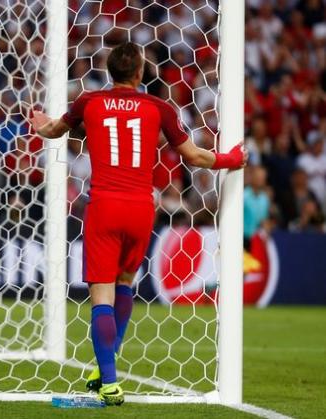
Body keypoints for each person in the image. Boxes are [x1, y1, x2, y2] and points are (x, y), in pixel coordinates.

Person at [29, 41, 247, 406]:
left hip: (104, 206)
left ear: (109, 70)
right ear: (141, 71)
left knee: (101, 294)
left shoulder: (89, 102)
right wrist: (232, 159)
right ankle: (105, 367)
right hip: (141, 208)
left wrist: (41, 124)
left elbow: (54, 131)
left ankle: (110, 384)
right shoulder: (159, 107)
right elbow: (192, 156)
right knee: (126, 282)